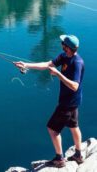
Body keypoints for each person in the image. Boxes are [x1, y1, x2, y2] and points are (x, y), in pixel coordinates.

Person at [14, 34, 85, 168]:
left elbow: (75, 86)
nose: (61, 44)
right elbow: (47, 64)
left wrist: (58, 74)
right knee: (74, 126)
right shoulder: (64, 56)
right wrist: (26, 65)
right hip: (73, 102)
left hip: (68, 103)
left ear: (67, 47)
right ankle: (78, 155)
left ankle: (59, 159)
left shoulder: (77, 63)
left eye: (63, 43)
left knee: (52, 129)